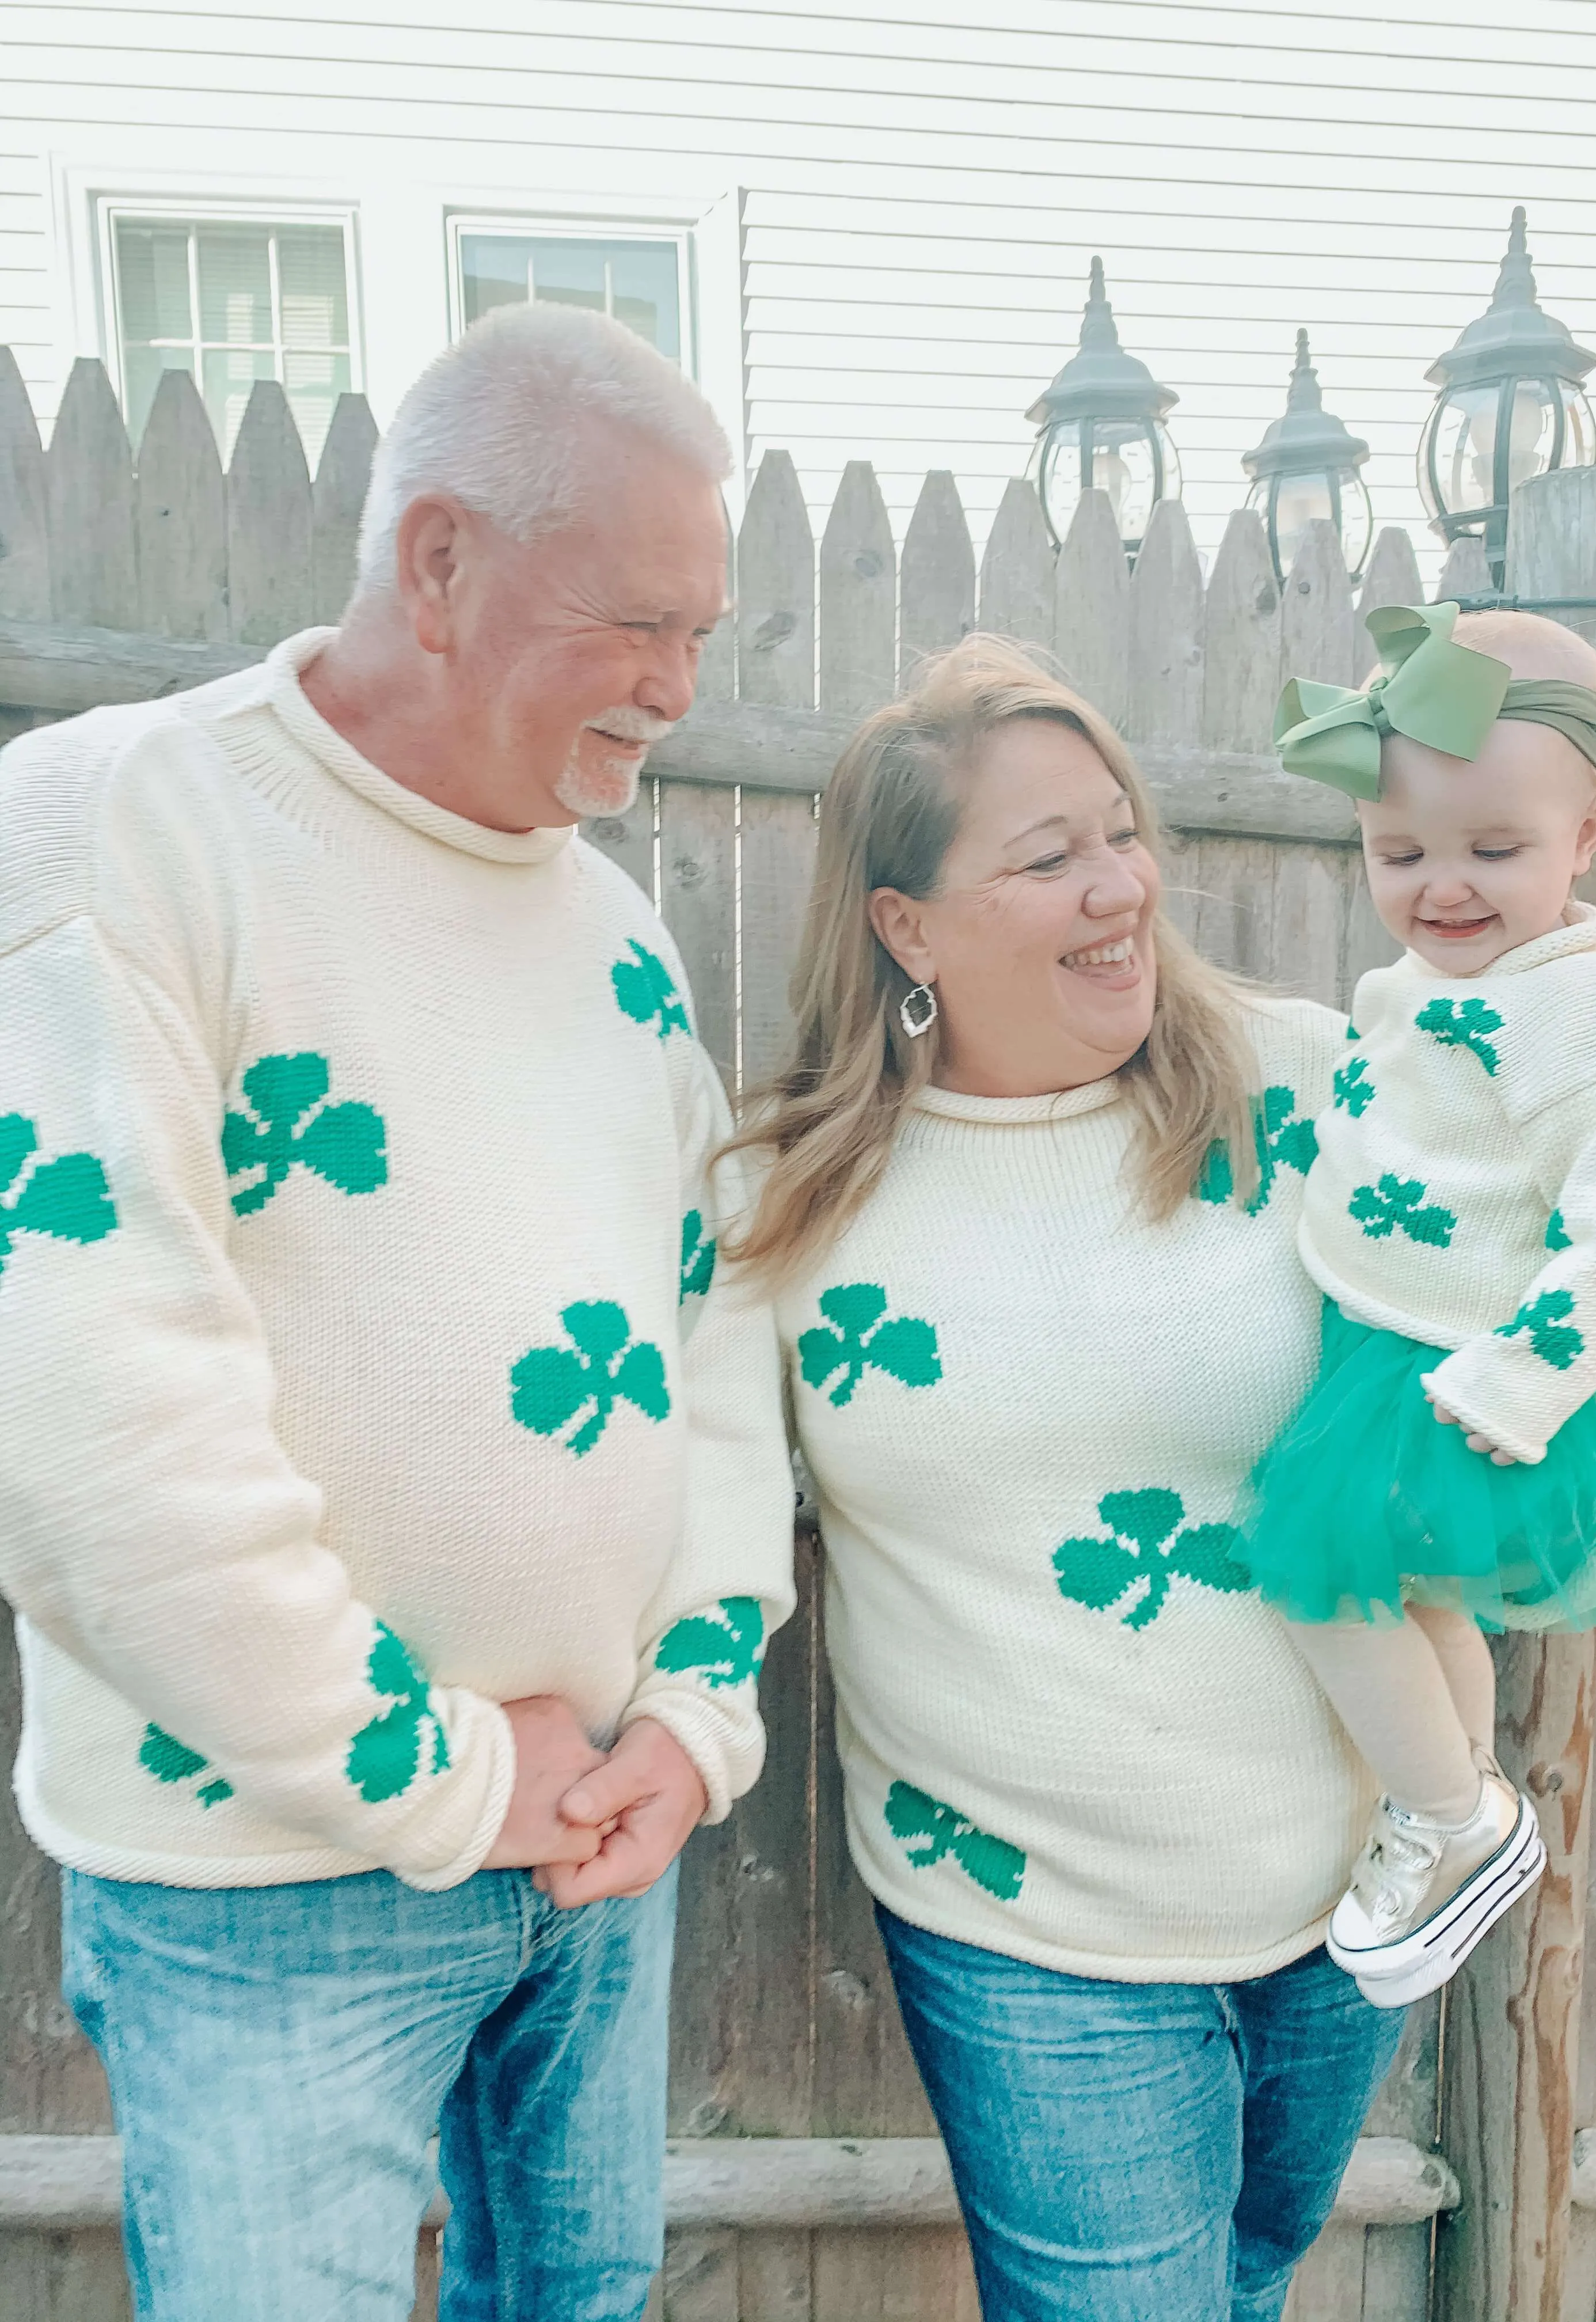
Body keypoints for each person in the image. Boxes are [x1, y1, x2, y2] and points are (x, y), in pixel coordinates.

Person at [0, 303, 795, 2320]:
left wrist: (693, 1725)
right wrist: (436, 1770)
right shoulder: (123, 829)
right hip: (272, 1878)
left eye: (701, 635)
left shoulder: (615, 928)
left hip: (597, 1844)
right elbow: (91, 1411)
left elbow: (709, 1336)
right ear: (437, 561)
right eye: (636, 622)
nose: (679, 689)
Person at [716, 636, 1403, 2322]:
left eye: (1120, 831)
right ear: (907, 927)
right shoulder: (785, 1207)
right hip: (1031, 1922)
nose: (1120, 886)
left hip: (1354, 1883)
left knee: (1248, 2281)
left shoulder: (1308, 1086)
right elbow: (691, 1508)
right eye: (1048, 857)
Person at [1242, 602, 1596, 2006]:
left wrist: (1520, 1384)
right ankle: (1454, 1808)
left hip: (1483, 1362)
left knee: (1312, 1573)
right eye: (1401, 853)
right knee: (1407, 1590)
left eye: (1495, 850)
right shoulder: (1418, 979)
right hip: (1381, 1337)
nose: (1443, 888)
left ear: (1590, 833)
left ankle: (1453, 1822)